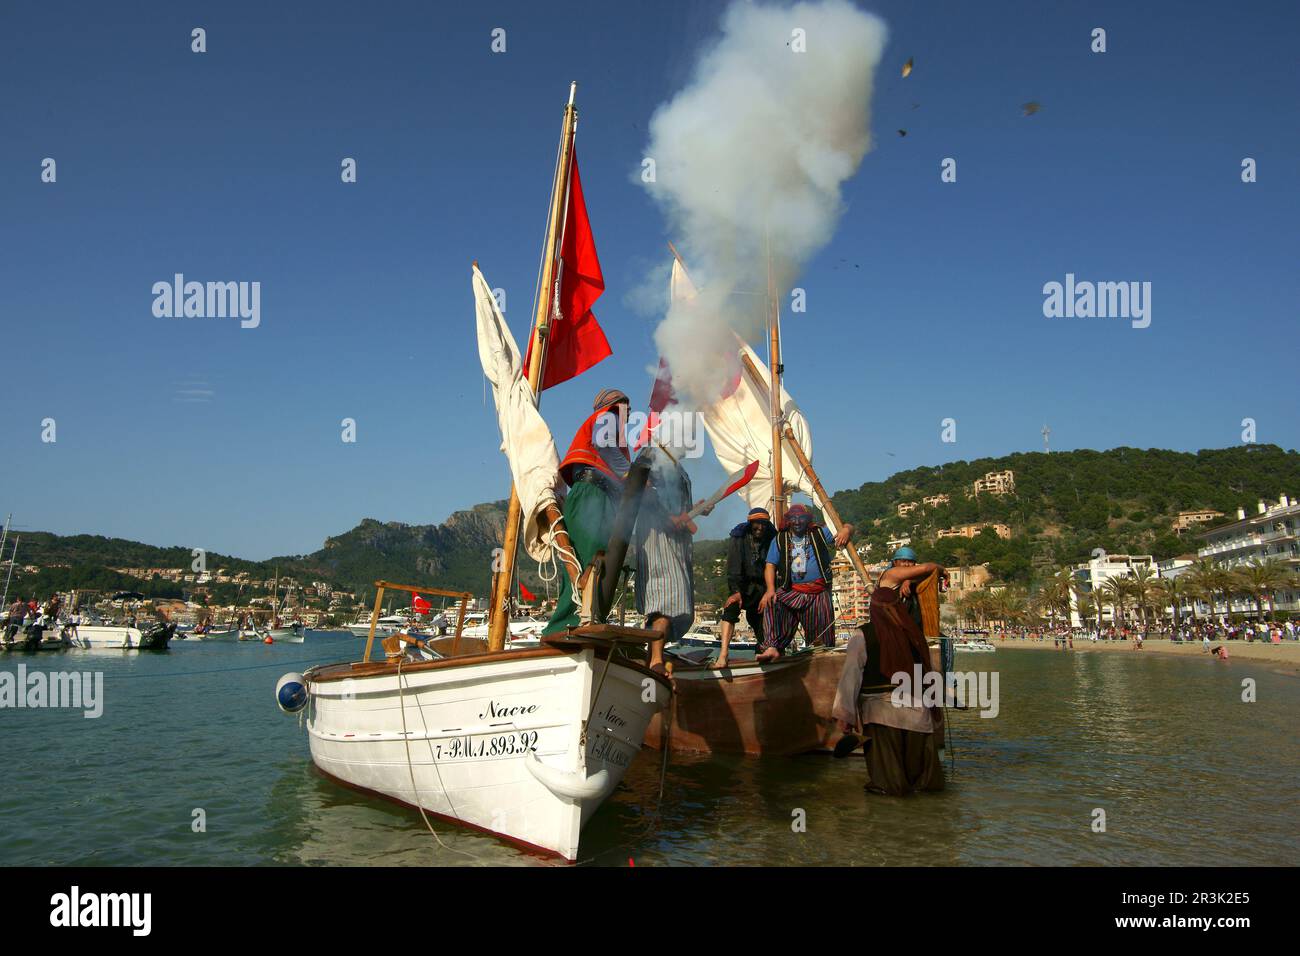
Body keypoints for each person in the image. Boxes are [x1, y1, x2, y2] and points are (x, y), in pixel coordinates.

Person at [831, 549, 946, 795]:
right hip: (919, 718)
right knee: (926, 787)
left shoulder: (863, 635)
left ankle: (889, 827)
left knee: (888, 787)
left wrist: (845, 718)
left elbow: (850, 678)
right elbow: (930, 673)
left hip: (882, 718)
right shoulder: (915, 636)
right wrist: (936, 715)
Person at [544, 388, 632, 635]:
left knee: (598, 559)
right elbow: (605, 447)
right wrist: (631, 473)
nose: (629, 413)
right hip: (592, 494)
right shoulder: (608, 417)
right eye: (626, 407)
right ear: (614, 405)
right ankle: (568, 626)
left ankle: (588, 619)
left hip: (601, 496)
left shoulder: (615, 430)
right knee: (589, 557)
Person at [633, 445, 707, 673]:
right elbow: (640, 486)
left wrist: (695, 510)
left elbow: (679, 506)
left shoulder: (680, 469)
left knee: (676, 600)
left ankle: (654, 654)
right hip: (657, 533)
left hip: (678, 539)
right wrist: (667, 518)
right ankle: (655, 660)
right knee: (664, 596)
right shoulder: (652, 453)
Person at [756, 503, 853, 662]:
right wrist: (770, 589)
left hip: (818, 592)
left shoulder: (818, 533)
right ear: (788, 520)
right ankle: (772, 647)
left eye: (801, 518)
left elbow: (847, 525)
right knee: (772, 601)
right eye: (793, 518)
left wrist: (846, 530)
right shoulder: (780, 539)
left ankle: (821, 657)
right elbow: (770, 565)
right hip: (792, 590)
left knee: (820, 638)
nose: (797, 522)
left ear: (807, 519)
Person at [714, 507, 777, 668]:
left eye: (763, 523)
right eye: (757, 523)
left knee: (763, 616)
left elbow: (775, 565)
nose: (760, 527)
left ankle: (763, 651)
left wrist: (770, 590)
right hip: (743, 584)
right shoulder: (739, 536)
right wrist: (736, 591)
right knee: (731, 608)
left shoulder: (772, 536)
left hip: (763, 586)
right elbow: (734, 566)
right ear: (750, 523)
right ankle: (723, 655)